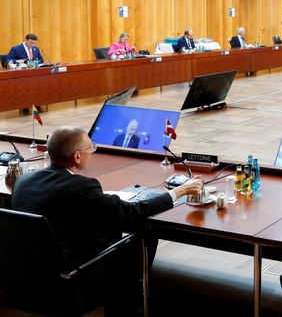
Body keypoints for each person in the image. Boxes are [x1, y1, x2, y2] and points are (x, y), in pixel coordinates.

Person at [12, 126, 203, 315]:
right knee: (141, 233)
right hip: (73, 278)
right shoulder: (82, 187)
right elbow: (132, 212)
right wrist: (180, 191)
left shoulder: (23, 181)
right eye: (90, 148)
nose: (93, 152)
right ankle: (125, 304)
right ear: (77, 156)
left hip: (26, 276)